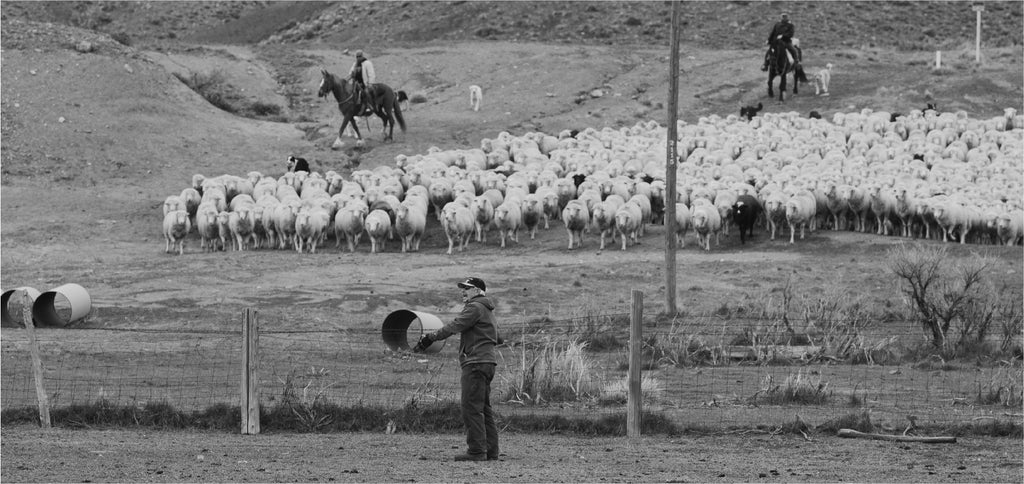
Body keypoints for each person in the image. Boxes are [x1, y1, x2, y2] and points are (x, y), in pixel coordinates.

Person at [414, 277, 500, 462]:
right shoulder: (487, 309)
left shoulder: (474, 307)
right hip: (488, 362)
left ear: (477, 291)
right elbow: (498, 337)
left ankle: (477, 451)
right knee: (484, 408)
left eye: (467, 288)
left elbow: (455, 325)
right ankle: (491, 451)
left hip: (475, 363)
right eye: (463, 288)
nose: (463, 291)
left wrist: (430, 337)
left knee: (471, 407)